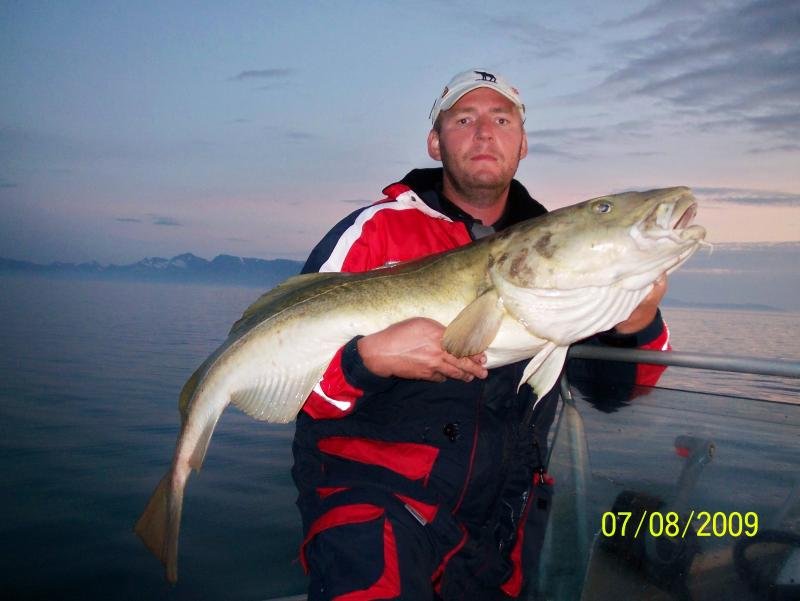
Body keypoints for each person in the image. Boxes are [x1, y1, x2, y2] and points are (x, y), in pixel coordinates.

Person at [291, 68, 670, 600]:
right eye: (464, 120)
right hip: (375, 510)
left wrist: (634, 318)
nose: (485, 133)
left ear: (523, 144)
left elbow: (613, 393)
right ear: (435, 142)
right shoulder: (374, 232)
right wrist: (367, 359)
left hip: (499, 528)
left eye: (501, 120)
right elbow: (291, 380)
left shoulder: (559, 248)